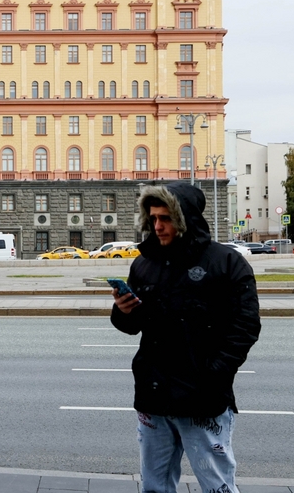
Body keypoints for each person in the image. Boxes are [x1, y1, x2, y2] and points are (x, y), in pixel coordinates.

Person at [111, 182, 261, 493]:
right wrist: (123, 311)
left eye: (165, 218)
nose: (158, 226)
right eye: (152, 218)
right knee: (154, 487)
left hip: (203, 400)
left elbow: (245, 327)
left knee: (217, 486)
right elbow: (133, 326)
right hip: (154, 398)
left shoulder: (226, 263)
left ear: (185, 219)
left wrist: (214, 374)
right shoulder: (144, 263)